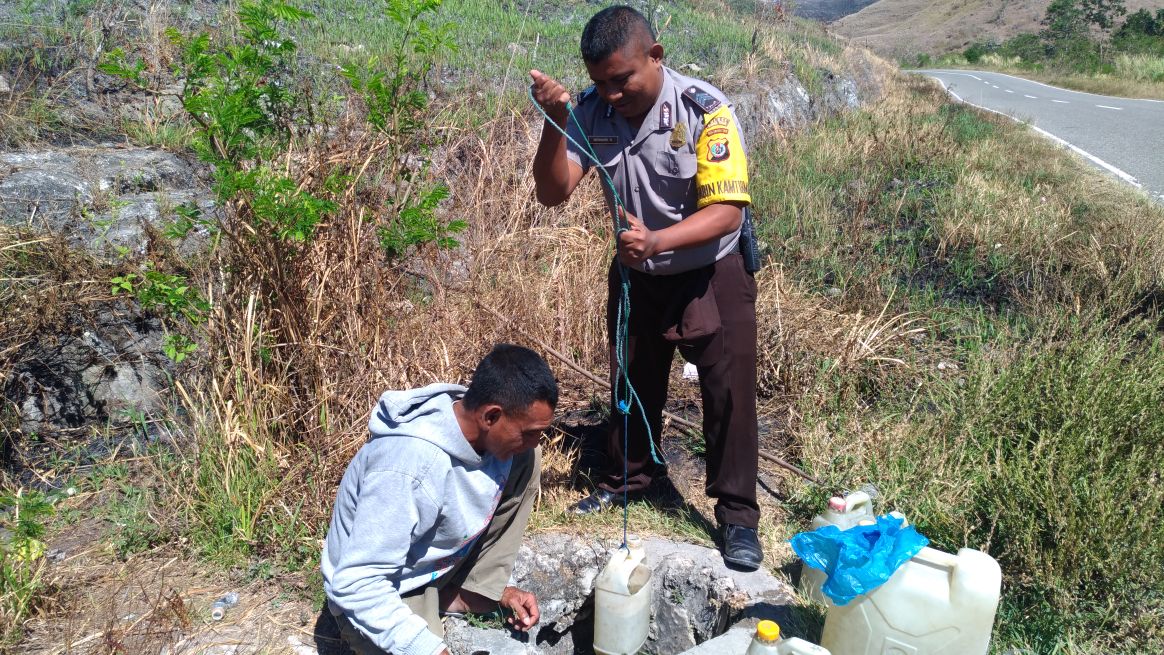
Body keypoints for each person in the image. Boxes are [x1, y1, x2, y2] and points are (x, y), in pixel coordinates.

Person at [529, 5, 763, 571]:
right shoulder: (590, 111)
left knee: (729, 393)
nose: (610, 94)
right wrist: (555, 122)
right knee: (631, 381)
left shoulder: (703, 111)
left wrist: (657, 241)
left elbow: (727, 213)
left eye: (621, 79)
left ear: (655, 57)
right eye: (598, 83)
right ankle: (633, 480)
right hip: (639, 274)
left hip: (711, 273)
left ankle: (736, 518)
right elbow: (552, 191)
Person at [321, 344, 558, 655]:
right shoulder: (408, 463)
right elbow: (357, 584)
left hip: (435, 569)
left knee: (528, 458)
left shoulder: (504, 443)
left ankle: (473, 589)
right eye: (529, 432)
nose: (536, 441)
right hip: (379, 592)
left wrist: (498, 588)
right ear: (490, 416)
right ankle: (432, 603)